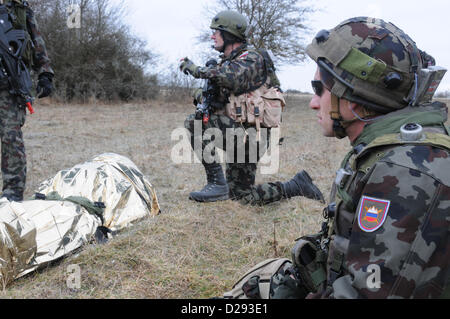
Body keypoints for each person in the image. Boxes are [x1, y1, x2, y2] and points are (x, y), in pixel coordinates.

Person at [224, 17, 449, 299]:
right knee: (265, 276)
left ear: (353, 96)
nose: (313, 102)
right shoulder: (385, 151)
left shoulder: (405, 172)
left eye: (320, 89)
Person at [179, 10, 324, 205]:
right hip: (240, 134)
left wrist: (194, 69)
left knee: (194, 122)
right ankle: (296, 186)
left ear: (229, 34)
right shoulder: (228, 63)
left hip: (252, 136)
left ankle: (216, 183)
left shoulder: (252, 59)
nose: (212, 36)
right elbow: (221, 98)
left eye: (216, 32)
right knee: (241, 196)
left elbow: (229, 77)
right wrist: (202, 96)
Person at [0, 0, 53, 202]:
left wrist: (45, 74)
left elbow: (36, 41)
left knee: (11, 138)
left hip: (10, 87)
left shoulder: (19, 9)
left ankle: (12, 195)